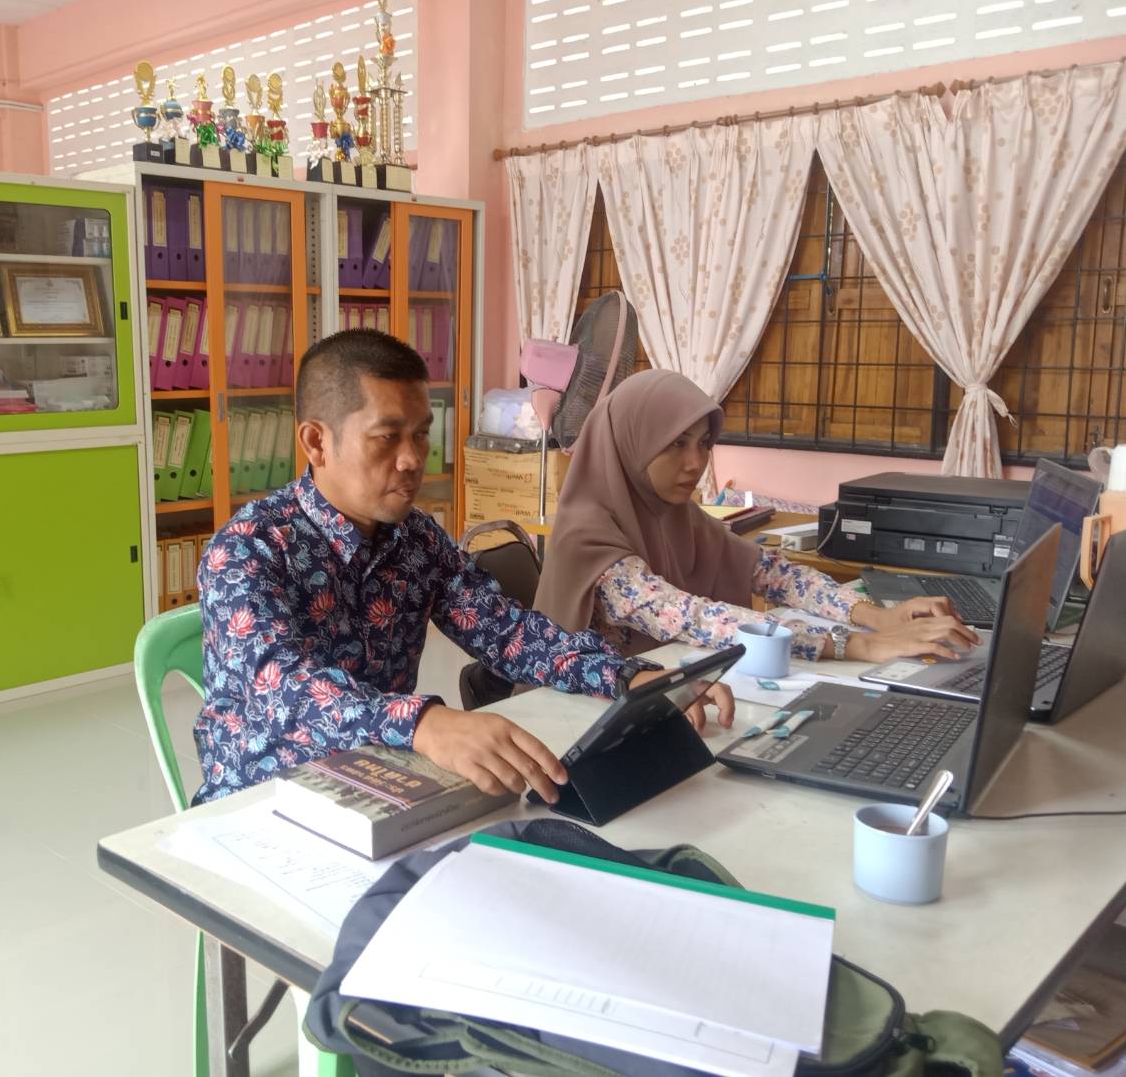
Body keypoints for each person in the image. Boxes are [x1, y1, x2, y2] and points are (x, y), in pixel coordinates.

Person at [191, 332, 733, 807]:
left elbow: (507, 632)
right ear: (316, 442)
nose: (412, 459)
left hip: (381, 778)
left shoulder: (416, 540)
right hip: (261, 801)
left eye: (421, 434)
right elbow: (282, 688)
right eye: (387, 436)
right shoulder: (247, 550)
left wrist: (628, 677)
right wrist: (425, 724)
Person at [534, 369, 980, 666]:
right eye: (676, 444)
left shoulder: (675, 514)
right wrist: (857, 643)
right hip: (573, 724)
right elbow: (690, 616)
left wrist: (876, 615)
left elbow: (772, 572)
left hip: (667, 693)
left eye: (704, 444)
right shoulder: (586, 536)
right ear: (630, 444)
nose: (696, 463)